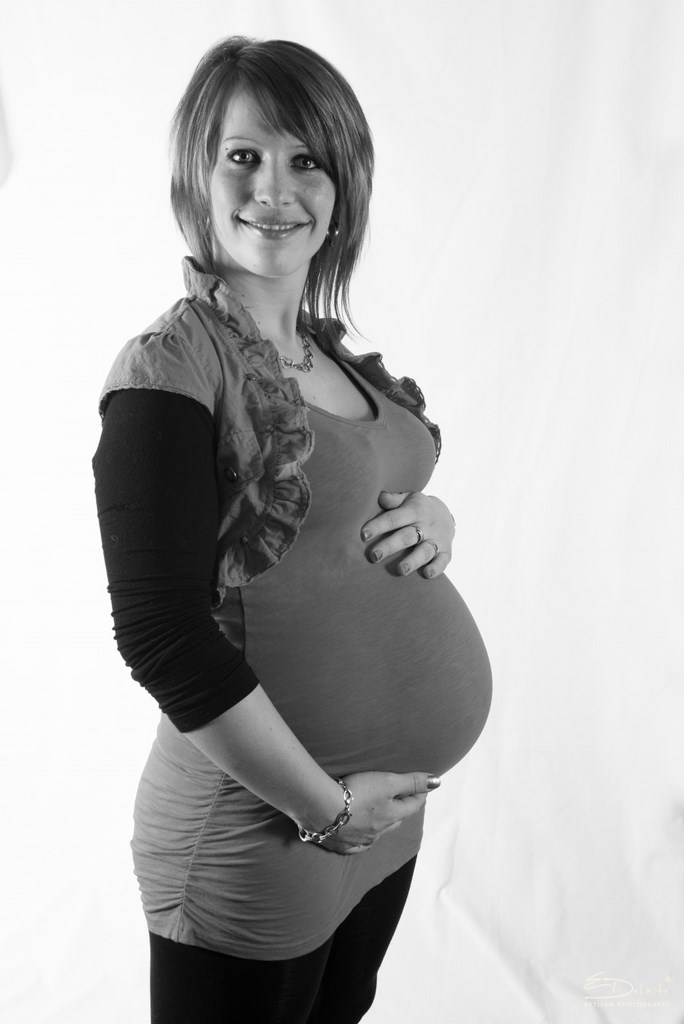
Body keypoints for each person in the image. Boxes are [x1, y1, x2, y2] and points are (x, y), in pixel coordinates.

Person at [92, 35, 492, 1024]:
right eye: (244, 155)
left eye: (306, 159)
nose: (274, 188)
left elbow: (359, 496)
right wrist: (326, 809)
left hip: (383, 823)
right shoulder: (169, 367)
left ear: (342, 189)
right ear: (199, 174)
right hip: (264, 831)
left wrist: (435, 517)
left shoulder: (330, 355)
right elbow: (160, 634)